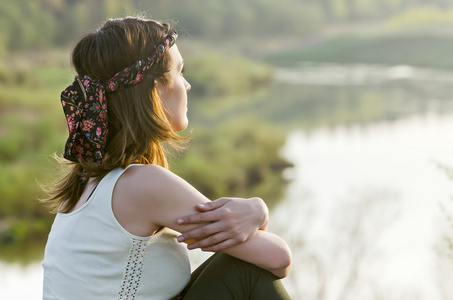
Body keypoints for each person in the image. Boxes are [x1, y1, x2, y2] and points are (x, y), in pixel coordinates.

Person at [41, 16, 292, 300]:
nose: (186, 86)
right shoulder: (141, 184)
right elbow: (277, 259)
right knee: (245, 270)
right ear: (155, 88)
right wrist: (260, 210)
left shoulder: (86, 181)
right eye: (179, 72)